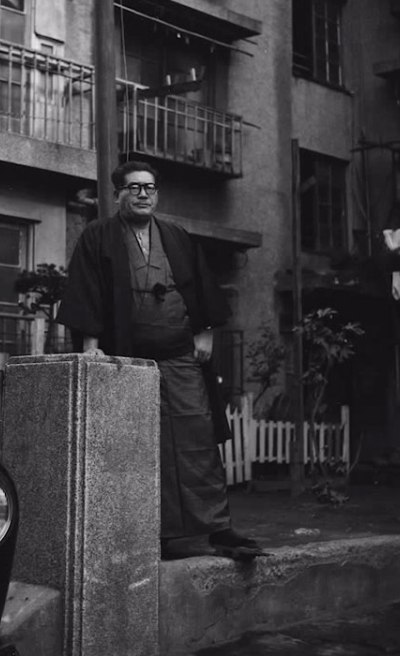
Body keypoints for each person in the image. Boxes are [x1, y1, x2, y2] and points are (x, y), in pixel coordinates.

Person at [57, 161, 266, 561]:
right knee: (138, 444)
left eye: (149, 188)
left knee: (196, 439)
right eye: (134, 187)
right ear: (118, 194)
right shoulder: (98, 235)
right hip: (127, 357)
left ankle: (218, 529)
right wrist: (91, 346)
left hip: (180, 354)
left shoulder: (175, 235)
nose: (143, 194)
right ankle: (158, 534)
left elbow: (201, 285)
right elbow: (88, 291)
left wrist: (205, 331)